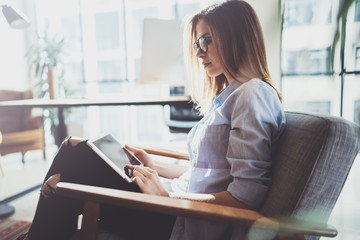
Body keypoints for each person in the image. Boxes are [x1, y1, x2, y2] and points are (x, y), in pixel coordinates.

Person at [18, 1, 285, 239]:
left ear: (235, 38)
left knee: (73, 155)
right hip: (171, 204)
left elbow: (245, 197)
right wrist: (154, 165)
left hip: (178, 220)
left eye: (206, 41)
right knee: (68, 171)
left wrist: (167, 197)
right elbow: (209, 174)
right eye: (196, 44)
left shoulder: (252, 95)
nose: (199, 52)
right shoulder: (231, 95)